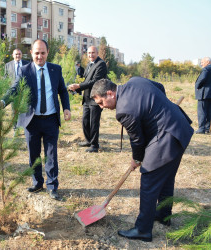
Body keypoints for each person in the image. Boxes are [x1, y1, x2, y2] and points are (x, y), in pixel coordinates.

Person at [90, 77, 193, 242]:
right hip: (180, 128)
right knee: (165, 177)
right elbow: (159, 86)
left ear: (110, 93)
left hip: (167, 137)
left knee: (149, 180)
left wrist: (137, 159)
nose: (102, 107)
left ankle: (143, 229)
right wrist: (160, 108)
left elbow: (137, 140)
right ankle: (163, 215)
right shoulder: (134, 81)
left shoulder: (123, 110)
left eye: (101, 102)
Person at [0, 39, 71, 200]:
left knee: (51, 155)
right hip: (32, 121)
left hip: (51, 119)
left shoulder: (55, 69)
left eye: (43, 53)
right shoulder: (24, 71)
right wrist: (3, 102)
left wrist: (66, 108)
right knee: (34, 154)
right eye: (36, 53)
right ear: (31, 53)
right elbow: (15, 89)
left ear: (47, 53)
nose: (40, 56)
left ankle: (52, 186)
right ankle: (37, 183)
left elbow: (63, 91)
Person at [68, 46, 107, 153]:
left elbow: (95, 81)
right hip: (87, 98)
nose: (91, 55)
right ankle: (88, 140)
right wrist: (77, 89)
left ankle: (94, 145)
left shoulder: (101, 64)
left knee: (94, 122)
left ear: (97, 53)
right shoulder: (89, 64)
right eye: (89, 53)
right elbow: (86, 80)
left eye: (93, 53)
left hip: (96, 98)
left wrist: (79, 86)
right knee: (85, 121)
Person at [4, 49, 29, 129]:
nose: (18, 56)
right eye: (16, 54)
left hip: (24, 91)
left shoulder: (27, 64)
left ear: (21, 55)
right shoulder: (8, 65)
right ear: (13, 55)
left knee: (24, 109)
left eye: (19, 54)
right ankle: (15, 128)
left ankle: (24, 127)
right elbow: (6, 77)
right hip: (13, 92)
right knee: (14, 110)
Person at [195, 57, 211, 134]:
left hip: (204, 93)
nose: (201, 64)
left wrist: (198, 86)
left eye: (202, 62)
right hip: (210, 94)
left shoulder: (206, 69)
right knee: (209, 111)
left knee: (201, 111)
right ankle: (207, 129)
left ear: (207, 62)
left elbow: (202, 78)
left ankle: (201, 129)